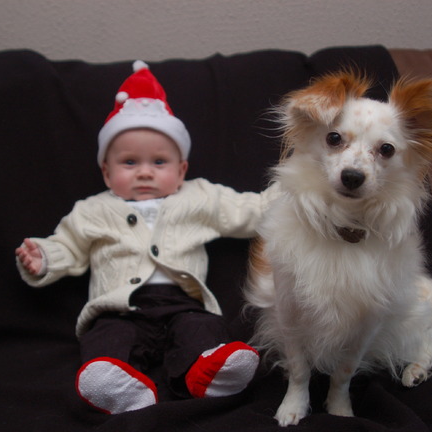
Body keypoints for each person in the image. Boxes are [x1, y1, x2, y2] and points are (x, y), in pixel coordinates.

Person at [15, 61, 275, 415]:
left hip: (183, 302)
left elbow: (249, 210)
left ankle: (206, 373)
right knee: (107, 336)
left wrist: (292, 195)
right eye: (129, 163)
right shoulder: (92, 210)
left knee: (202, 327)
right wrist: (44, 257)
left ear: (181, 170)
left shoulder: (199, 196)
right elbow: (68, 245)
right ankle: (114, 383)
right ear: (106, 172)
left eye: (159, 162)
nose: (144, 173)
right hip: (120, 306)